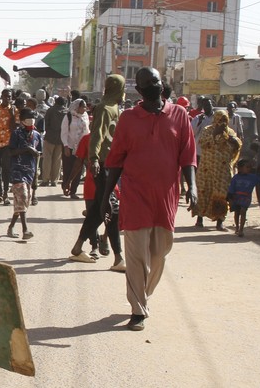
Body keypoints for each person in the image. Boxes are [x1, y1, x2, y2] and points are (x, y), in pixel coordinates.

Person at [102, 67, 196, 331]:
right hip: (135, 196)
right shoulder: (128, 118)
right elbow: (116, 159)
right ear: (139, 91)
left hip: (166, 198)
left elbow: (188, 155)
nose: (153, 86)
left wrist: (193, 188)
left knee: (159, 253)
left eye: (156, 81)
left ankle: (144, 295)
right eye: (147, 84)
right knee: (135, 255)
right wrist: (106, 194)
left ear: (161, 84)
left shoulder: (179, 114)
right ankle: (138, 309)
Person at [68, 75, 124, 261]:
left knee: (98, 211)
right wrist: (94, 159)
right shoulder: (104, 108)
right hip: (103, 164)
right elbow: (97, 135)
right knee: (110, 208)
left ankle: (78, 246)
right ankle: (118, 257)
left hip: (113, 164)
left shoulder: (116, 108)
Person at [192, 109, 241, 230]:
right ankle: (200, 219)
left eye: (224, 120)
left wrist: (234, 141)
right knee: (204, 192)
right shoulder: (208, 130)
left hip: (222, 171)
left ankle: (219, 221)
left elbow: (237, 145)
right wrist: (215, 134)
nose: (222, 122)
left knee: (221, 195)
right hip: (207, 169)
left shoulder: (230, 132)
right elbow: (202, 143)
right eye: (220, 119)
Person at [6, 109, 42, 239]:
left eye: (33, 117)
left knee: (23, 202)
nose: (31, 120)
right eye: (28, 118)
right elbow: (10, 152)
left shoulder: (37, 135)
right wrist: (26, 149)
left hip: (30, 172)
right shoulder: (16, 133)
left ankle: (10, 227)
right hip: (17, 171)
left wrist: (36, 179)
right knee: (22, 196)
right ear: (22, 120)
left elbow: (39, 155)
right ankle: (25, 230)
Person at [61, 99, 90, 198]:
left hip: (81, 148)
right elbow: (64, 133)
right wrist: (65, 146)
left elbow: (87, 131)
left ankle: (73, 191)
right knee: (68, 168)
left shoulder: (85, 117)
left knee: (78, 169)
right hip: (69, 146)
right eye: (83, 107)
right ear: (77, 107)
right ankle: (65, 186)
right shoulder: (68, 116)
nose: (85, 109)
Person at [227, 159, 260, 237]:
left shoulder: (253, 177)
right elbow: (231, 188)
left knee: (243, 211)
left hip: (246, 198)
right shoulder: (235, 178)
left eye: (250, 167)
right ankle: (237, 227)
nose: (249, 169)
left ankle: (241, 230)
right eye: (247, 167)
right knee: (237, 212)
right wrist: (230, 198)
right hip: (236, 197)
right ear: (240, 168)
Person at [41, 96, 66, 188]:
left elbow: (46, 123)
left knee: (47, 159)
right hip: (61, 139)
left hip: (50, 137)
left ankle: (45, 179)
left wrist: (48, 132)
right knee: (57, 160)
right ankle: (54, 180)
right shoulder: (66, 112)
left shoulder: (50, 110)